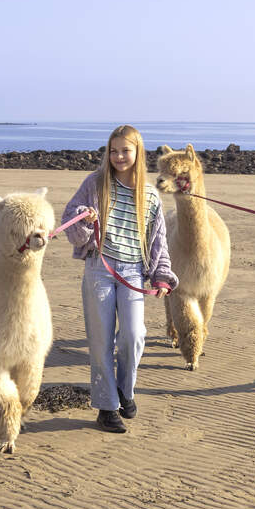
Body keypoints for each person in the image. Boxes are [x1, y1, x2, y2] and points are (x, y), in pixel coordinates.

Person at [60, 125, 177, 434]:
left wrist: (162, 277)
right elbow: (70, 228)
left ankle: (125, 390)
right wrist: (85, 220)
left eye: (125, 150)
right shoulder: (95, 183)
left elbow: (158, 242)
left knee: (134, 334)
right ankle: (106, 407)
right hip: (98, 267)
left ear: (138, 153)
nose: (119, 156)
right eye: (113, 151)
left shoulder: (150, 195)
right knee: (100, 341)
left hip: (133, 271)